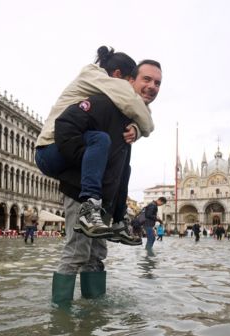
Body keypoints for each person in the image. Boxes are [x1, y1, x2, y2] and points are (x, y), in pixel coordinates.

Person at [50, 59, 162, 303]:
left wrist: (117, 210)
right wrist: (80, 164)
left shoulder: (132, 120)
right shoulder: (104, 101)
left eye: (157, 83)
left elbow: (122, 168)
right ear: (129, 80)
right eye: (146, 79)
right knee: (77, 252)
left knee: (97, 255)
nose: (152, 86)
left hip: (105, 199)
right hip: (81, 191)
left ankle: (93, 316)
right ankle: (60, 322)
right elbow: (64, 125)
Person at [35, 46, 153, 238]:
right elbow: (140, 111)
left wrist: (136, 129)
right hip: (52, 148)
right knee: (100, 140)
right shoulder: (100, 79)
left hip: (64, 150)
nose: (131, 87)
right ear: (117, 75)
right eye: (130, 81)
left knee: (120, 159)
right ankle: (90, 207)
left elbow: (134, 113)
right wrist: (143, 127)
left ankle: (114, 217)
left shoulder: (98, 84)